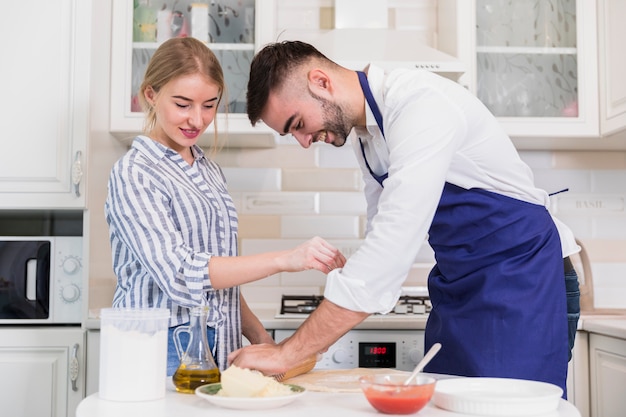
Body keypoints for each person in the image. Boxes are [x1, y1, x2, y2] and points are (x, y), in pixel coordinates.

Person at [228, 40, 580, 394]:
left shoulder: (420, 105)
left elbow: (390, 252)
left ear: (321, 81)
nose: (304, 141)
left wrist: (289, 352)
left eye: (298, 124)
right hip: (461, 288)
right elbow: (381, 234)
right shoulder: (366, 138)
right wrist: (342, 295)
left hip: (524, 282)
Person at [104, 37, 346, 375]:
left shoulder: (209, 171)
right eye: (182, 103)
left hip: (220, 343)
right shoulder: (135, 172)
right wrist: (284, 259)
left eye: (209, 105)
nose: (197, 119)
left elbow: (219, 280)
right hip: (161, 345)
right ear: (150, 95)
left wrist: (262, 339)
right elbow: (179, 274)